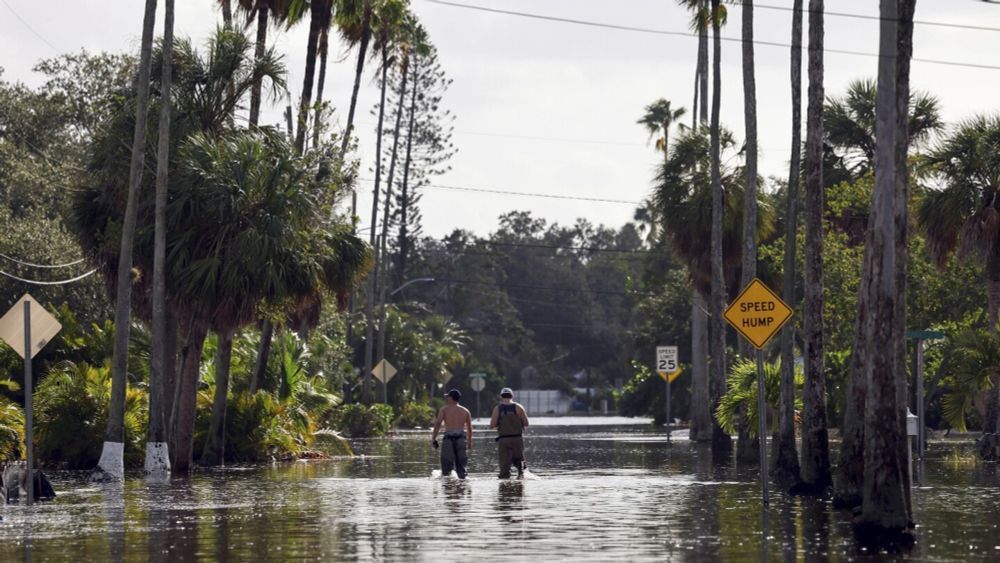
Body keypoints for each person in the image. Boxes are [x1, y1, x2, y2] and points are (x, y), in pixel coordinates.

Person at [431, 389, 473, 479]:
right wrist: (469, 442)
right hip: (461, 439)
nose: (446, 398)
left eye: (448, 397)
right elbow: (469, 428)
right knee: (462, 470)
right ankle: (462, 488)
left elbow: (438, 423)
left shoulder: (444, 409)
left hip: (448, 440)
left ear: (451, 398)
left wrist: (433, 438)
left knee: (446, 471)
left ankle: (449, 490)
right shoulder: (465, 411)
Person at [489, 387, 529, 479]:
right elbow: (526, 423)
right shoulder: (519, 407)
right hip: (517, 439)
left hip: (504, 439)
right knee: (520, 461)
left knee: (504, 465)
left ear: (501, 396)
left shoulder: (497, 408)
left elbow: (492, 425)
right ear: (512, 396)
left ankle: (505, 481)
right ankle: (521, 476)